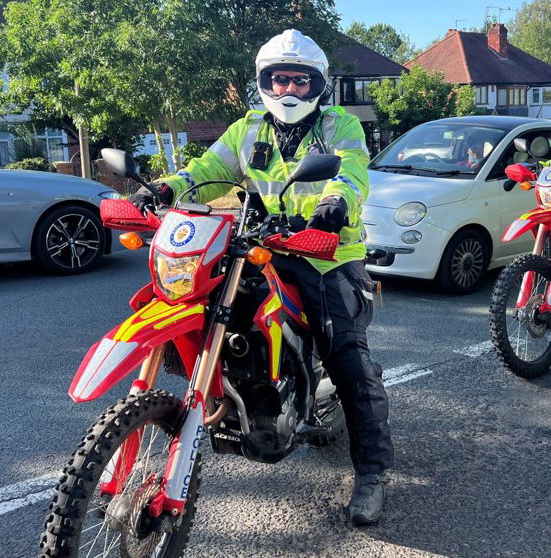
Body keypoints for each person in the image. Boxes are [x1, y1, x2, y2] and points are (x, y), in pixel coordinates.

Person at [129, 29, 393, 526]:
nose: (289, 90)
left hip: (325, 252)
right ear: (264, 83)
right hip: (262, 245)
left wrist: (335, 204)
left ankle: (372, 473)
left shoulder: (338, 126)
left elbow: (352, 171)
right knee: (209, 303)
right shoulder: (247, 128)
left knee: (347, 360)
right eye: (279, 79)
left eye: (300, 81)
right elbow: (207, 168)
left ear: (318, 85)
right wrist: (164, 188)